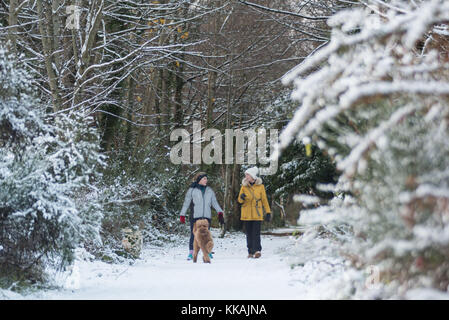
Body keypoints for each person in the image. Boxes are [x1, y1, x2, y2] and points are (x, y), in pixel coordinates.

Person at [179, 172, 225, 260]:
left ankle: (208, 252)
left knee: (207, 235)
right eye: (204, 178)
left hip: (206, 217)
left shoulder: (209, 190)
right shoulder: (192, 190)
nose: (206, 180)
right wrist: (182, 214)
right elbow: (186, 203)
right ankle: (191, 252)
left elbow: (214, 202)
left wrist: (220, 212)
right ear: (199, 179)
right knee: (194, 235)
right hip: (195, 216)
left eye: (206, 179)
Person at [237, 167, 271, 258]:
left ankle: (257, 250)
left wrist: (268, 212)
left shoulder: (261, 187)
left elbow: (264, 200)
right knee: (249, 233)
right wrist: (242, 197)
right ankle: (250, 252)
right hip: (246, 213)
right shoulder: (243, 187)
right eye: (246, 175)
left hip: (257, 213)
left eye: (247, 175)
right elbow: (239, 201)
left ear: (252, 176)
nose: (246, 176)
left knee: (256, 233)